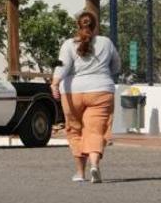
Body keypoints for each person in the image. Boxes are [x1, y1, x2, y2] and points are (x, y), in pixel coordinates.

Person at [51, 11, 120, 184]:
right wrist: (104, 75)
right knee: (95, 130)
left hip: (72, 92)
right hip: (101, 91)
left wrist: (54, 84)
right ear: (95, 25)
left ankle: (80, 173)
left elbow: (62, 66)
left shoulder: (68, 44)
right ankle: (95, 165)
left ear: (78, 25)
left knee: (75, 130)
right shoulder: (106, 42)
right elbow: (117, 65)